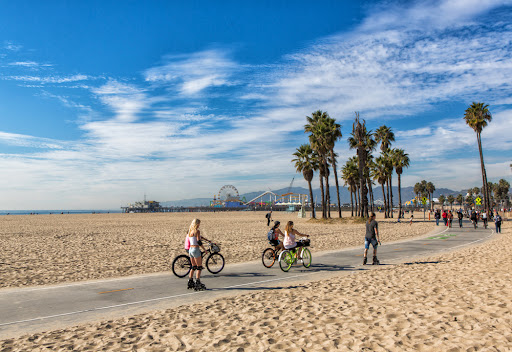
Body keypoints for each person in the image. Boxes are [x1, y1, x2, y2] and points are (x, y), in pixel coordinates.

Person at [186, 218, 210, 291]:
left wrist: (206, 239)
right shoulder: (197, 231)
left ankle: (190, 281)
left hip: (190, 250)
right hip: (196, 250)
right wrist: (204, 249)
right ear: (197, 224)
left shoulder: (189, 231)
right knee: (199, 267)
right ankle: (198, 282)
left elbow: (196, 238)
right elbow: (199, 242)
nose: (199, 225)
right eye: (199, 224)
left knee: (193, 267)